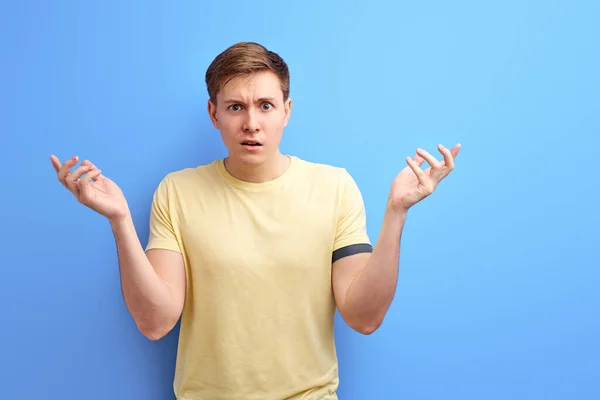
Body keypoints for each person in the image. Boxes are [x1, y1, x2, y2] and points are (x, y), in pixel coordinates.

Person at [50, 42, 460, 400]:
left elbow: (363, 316)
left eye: (265, 105)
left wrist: (396, 212)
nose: (252, 123)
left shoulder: (334, 186)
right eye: (235, 107)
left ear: (286, 111)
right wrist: (120, 221)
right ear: (214, 114)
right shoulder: (177, 192)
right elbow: (156, 322)